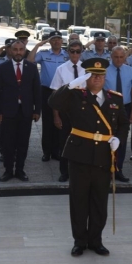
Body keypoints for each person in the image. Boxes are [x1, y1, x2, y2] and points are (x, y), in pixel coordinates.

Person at [49, 58, 130, 257]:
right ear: (86, 77)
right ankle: (79, 241)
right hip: (80, 155)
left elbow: (123, 124)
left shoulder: (115, 98)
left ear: (105, 77)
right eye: (93, 75)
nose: (97, 78)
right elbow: (53, 102)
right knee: (79, 200)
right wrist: (70, 86)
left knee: (99, 201)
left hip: (103, 156)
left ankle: (96, 240)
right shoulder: (76, 96)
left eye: (100, 75)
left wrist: (119, 139)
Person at [0, 38, 41, 182]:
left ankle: (20, 170)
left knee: (23, 143)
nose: (18, 52)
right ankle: (8, 171)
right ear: (10, 51)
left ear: (25, 51)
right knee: (8, 143)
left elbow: (37, 90)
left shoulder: (32, 67)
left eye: (21, 50)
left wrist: (37, 111)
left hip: (26, 111)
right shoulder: (2, 68)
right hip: (7, 112)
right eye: (15, 49)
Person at [28, 30, 68, 162]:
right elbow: (29, 60)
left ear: (62, 41)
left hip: (62, 91)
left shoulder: (67, 54)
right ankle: (46, 152)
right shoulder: (43, 54)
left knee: (60, 121)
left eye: (58, 39)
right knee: (47, 122)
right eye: (53, 39)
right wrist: (37, 45)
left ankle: (57, 151)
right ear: (49, 41)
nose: (56, 41)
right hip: (46, 91)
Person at [50, 40, 85, 182]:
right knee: (64, 142)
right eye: (72, 51)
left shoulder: (87, 70)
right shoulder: (61, 69)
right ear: (68, 52)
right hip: (65, 112)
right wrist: (56, 116)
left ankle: (79, 171)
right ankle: (64, 172)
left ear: (81, 52)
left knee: (82, 143)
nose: (75, 54)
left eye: (78, 51)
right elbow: (55, 94)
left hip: (83, 112)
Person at [103, 47, 132, 182]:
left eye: (121, 57)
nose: (118, 60)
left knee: (121, 139)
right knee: (108, 139)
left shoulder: (130, 70)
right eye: (116, 57)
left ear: (125, 57)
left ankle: (119, 169)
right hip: (108, 108)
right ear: (111, 56)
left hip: (125, 107)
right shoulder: (105, 70)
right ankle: (107, 169)